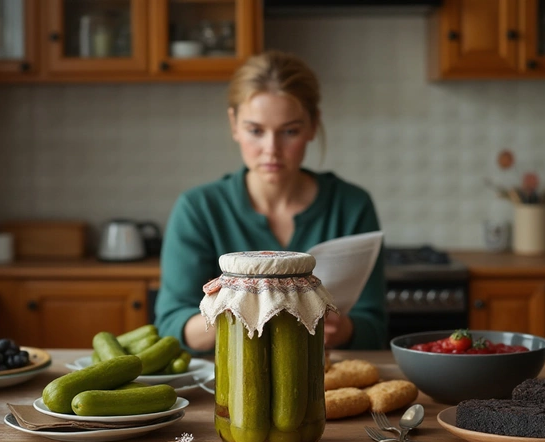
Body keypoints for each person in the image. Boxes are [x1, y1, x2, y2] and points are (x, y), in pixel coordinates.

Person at [154, 50, 386, 354]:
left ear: (313, 125)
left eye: (289, 131)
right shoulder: (198, 209)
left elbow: (375, 327)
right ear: (234, 124)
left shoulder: (352, 206)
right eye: (256, 131)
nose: (271, 149)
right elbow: (171, 326)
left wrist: (342, 329)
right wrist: (231, 307)